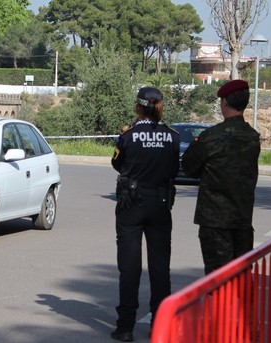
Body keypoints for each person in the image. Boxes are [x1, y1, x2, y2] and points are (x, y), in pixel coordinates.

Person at [110, 87, 180, 342]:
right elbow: (174, 168)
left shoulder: (128, 136)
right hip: (160, 204)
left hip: (131, 204)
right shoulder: (172, 136)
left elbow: (117, 164)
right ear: (159, 106)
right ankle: (160, 324)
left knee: (129, 268)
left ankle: (125, 326)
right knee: (160, 268)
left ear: (138, 107)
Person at [181, 80, 260, 275]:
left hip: (214, 220)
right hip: (242, 218)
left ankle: (220, 307)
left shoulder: (211, 136)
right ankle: (241, 307)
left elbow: (189, 168)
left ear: (224, 102)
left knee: (217, 277)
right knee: (241, 274)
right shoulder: (252, 137)